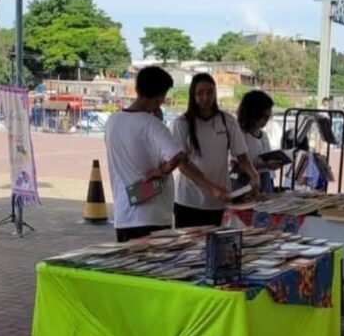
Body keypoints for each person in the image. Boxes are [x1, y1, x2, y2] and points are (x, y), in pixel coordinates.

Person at [104, 67, 187, 242]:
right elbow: (177, 156)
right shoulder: (152, 125)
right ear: (159, 98)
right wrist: (160, 171)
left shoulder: (112, 122)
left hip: (124, 217)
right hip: (153, 218)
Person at [171, 73, 259, 227]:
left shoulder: (228, 121)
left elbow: (241, 155)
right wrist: (211, 188)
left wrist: (253, 174)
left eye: (210, 92)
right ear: (193, 95)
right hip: (188, 201)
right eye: (200, 93)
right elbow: (182, 165)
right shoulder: (181, 123)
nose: (205, 97)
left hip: (218, 203)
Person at [233, 90, 278, 193]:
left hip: (266, 181)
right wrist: (266, 165)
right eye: (264, 116)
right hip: (245, 184)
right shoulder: (238, 134)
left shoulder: (263, 135)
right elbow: (236, 167)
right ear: (253, 114)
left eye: (269, 116)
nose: (267, 120)